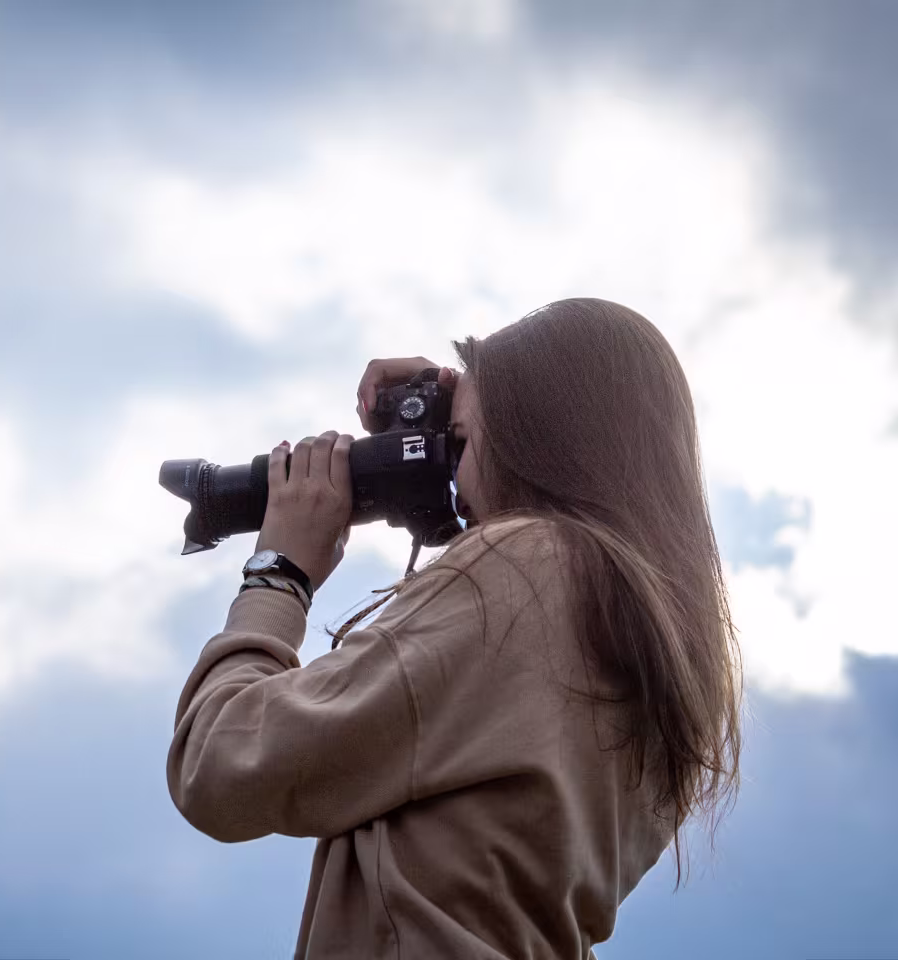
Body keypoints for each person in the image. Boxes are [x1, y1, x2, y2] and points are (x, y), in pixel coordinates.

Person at [166, 298, 743, 959]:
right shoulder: (648, 635)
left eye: (460, 444)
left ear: (535, 437)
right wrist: (458, 412)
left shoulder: (529, 566)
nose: (451, 469)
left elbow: (219, 762)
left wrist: (279, 573)